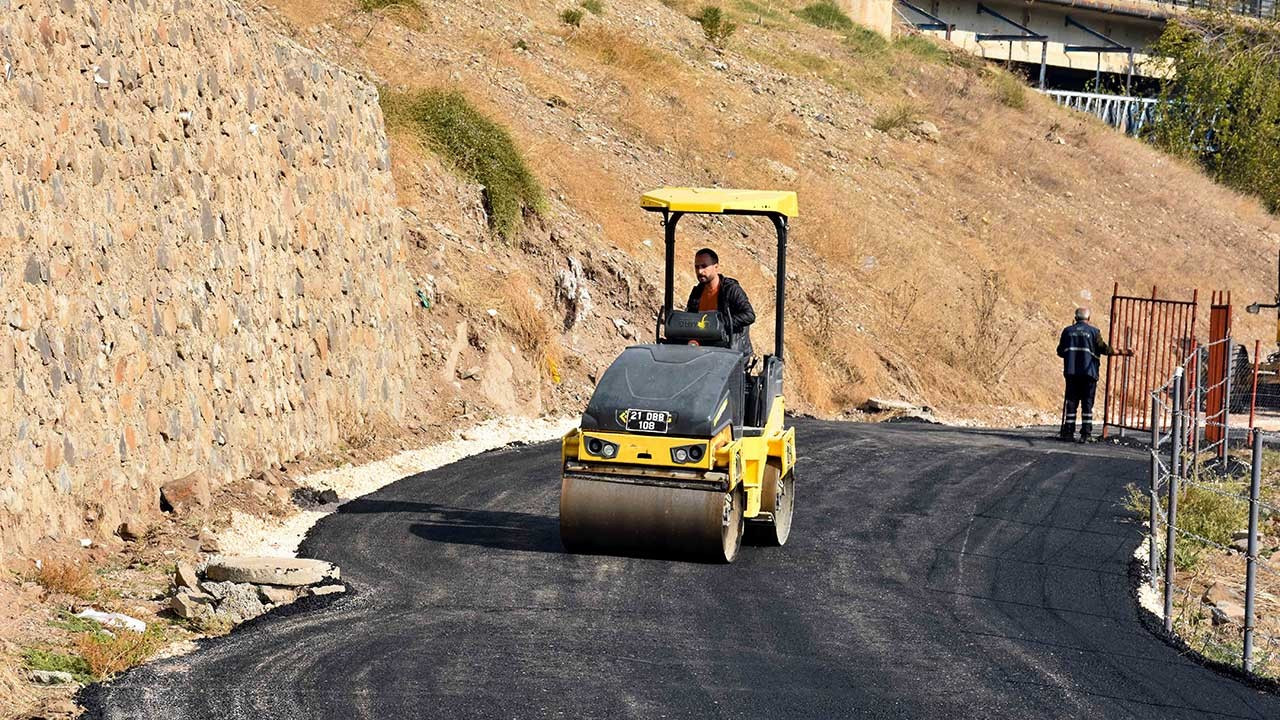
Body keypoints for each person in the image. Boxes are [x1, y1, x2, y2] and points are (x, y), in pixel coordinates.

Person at [1057, 307, 1128, 442]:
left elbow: (1060, 351)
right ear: (1089, 319)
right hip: (1089, 373)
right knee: (1087, 403)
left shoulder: (1067, 331)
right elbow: (1104, 349)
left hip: (1071, 372)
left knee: (1071, 402)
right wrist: (1122, 352)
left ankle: (1068, 432)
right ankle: (1086, 434)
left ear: (1075, 318)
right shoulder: (1094, 332)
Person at [685, 248, 755, 355]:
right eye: (697, 267)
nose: (700, 271)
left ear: (716, 267)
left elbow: (749, 315)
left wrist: (720, 324)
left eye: (704, 266)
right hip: (703, 349)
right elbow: (690, 317)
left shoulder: (731, 289)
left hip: (731, 350)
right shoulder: (697, 291)